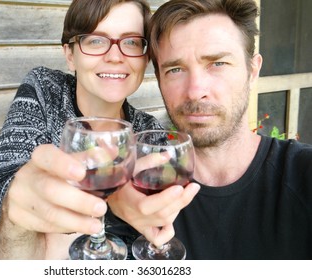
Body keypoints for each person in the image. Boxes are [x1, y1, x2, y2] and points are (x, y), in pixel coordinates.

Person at [0, 0, 165, 260]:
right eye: (95, 41)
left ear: (145, 57)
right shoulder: (45, 88)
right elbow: (5, 187)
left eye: (131, 42)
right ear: (70, 55)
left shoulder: (147, 131)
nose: (115, 56)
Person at [108, 0, 312, 259]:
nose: (195, 90)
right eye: (175, 69)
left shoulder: (304, 175)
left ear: (252, 70)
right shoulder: (139, 191)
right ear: (159, 80)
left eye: (217, 63)